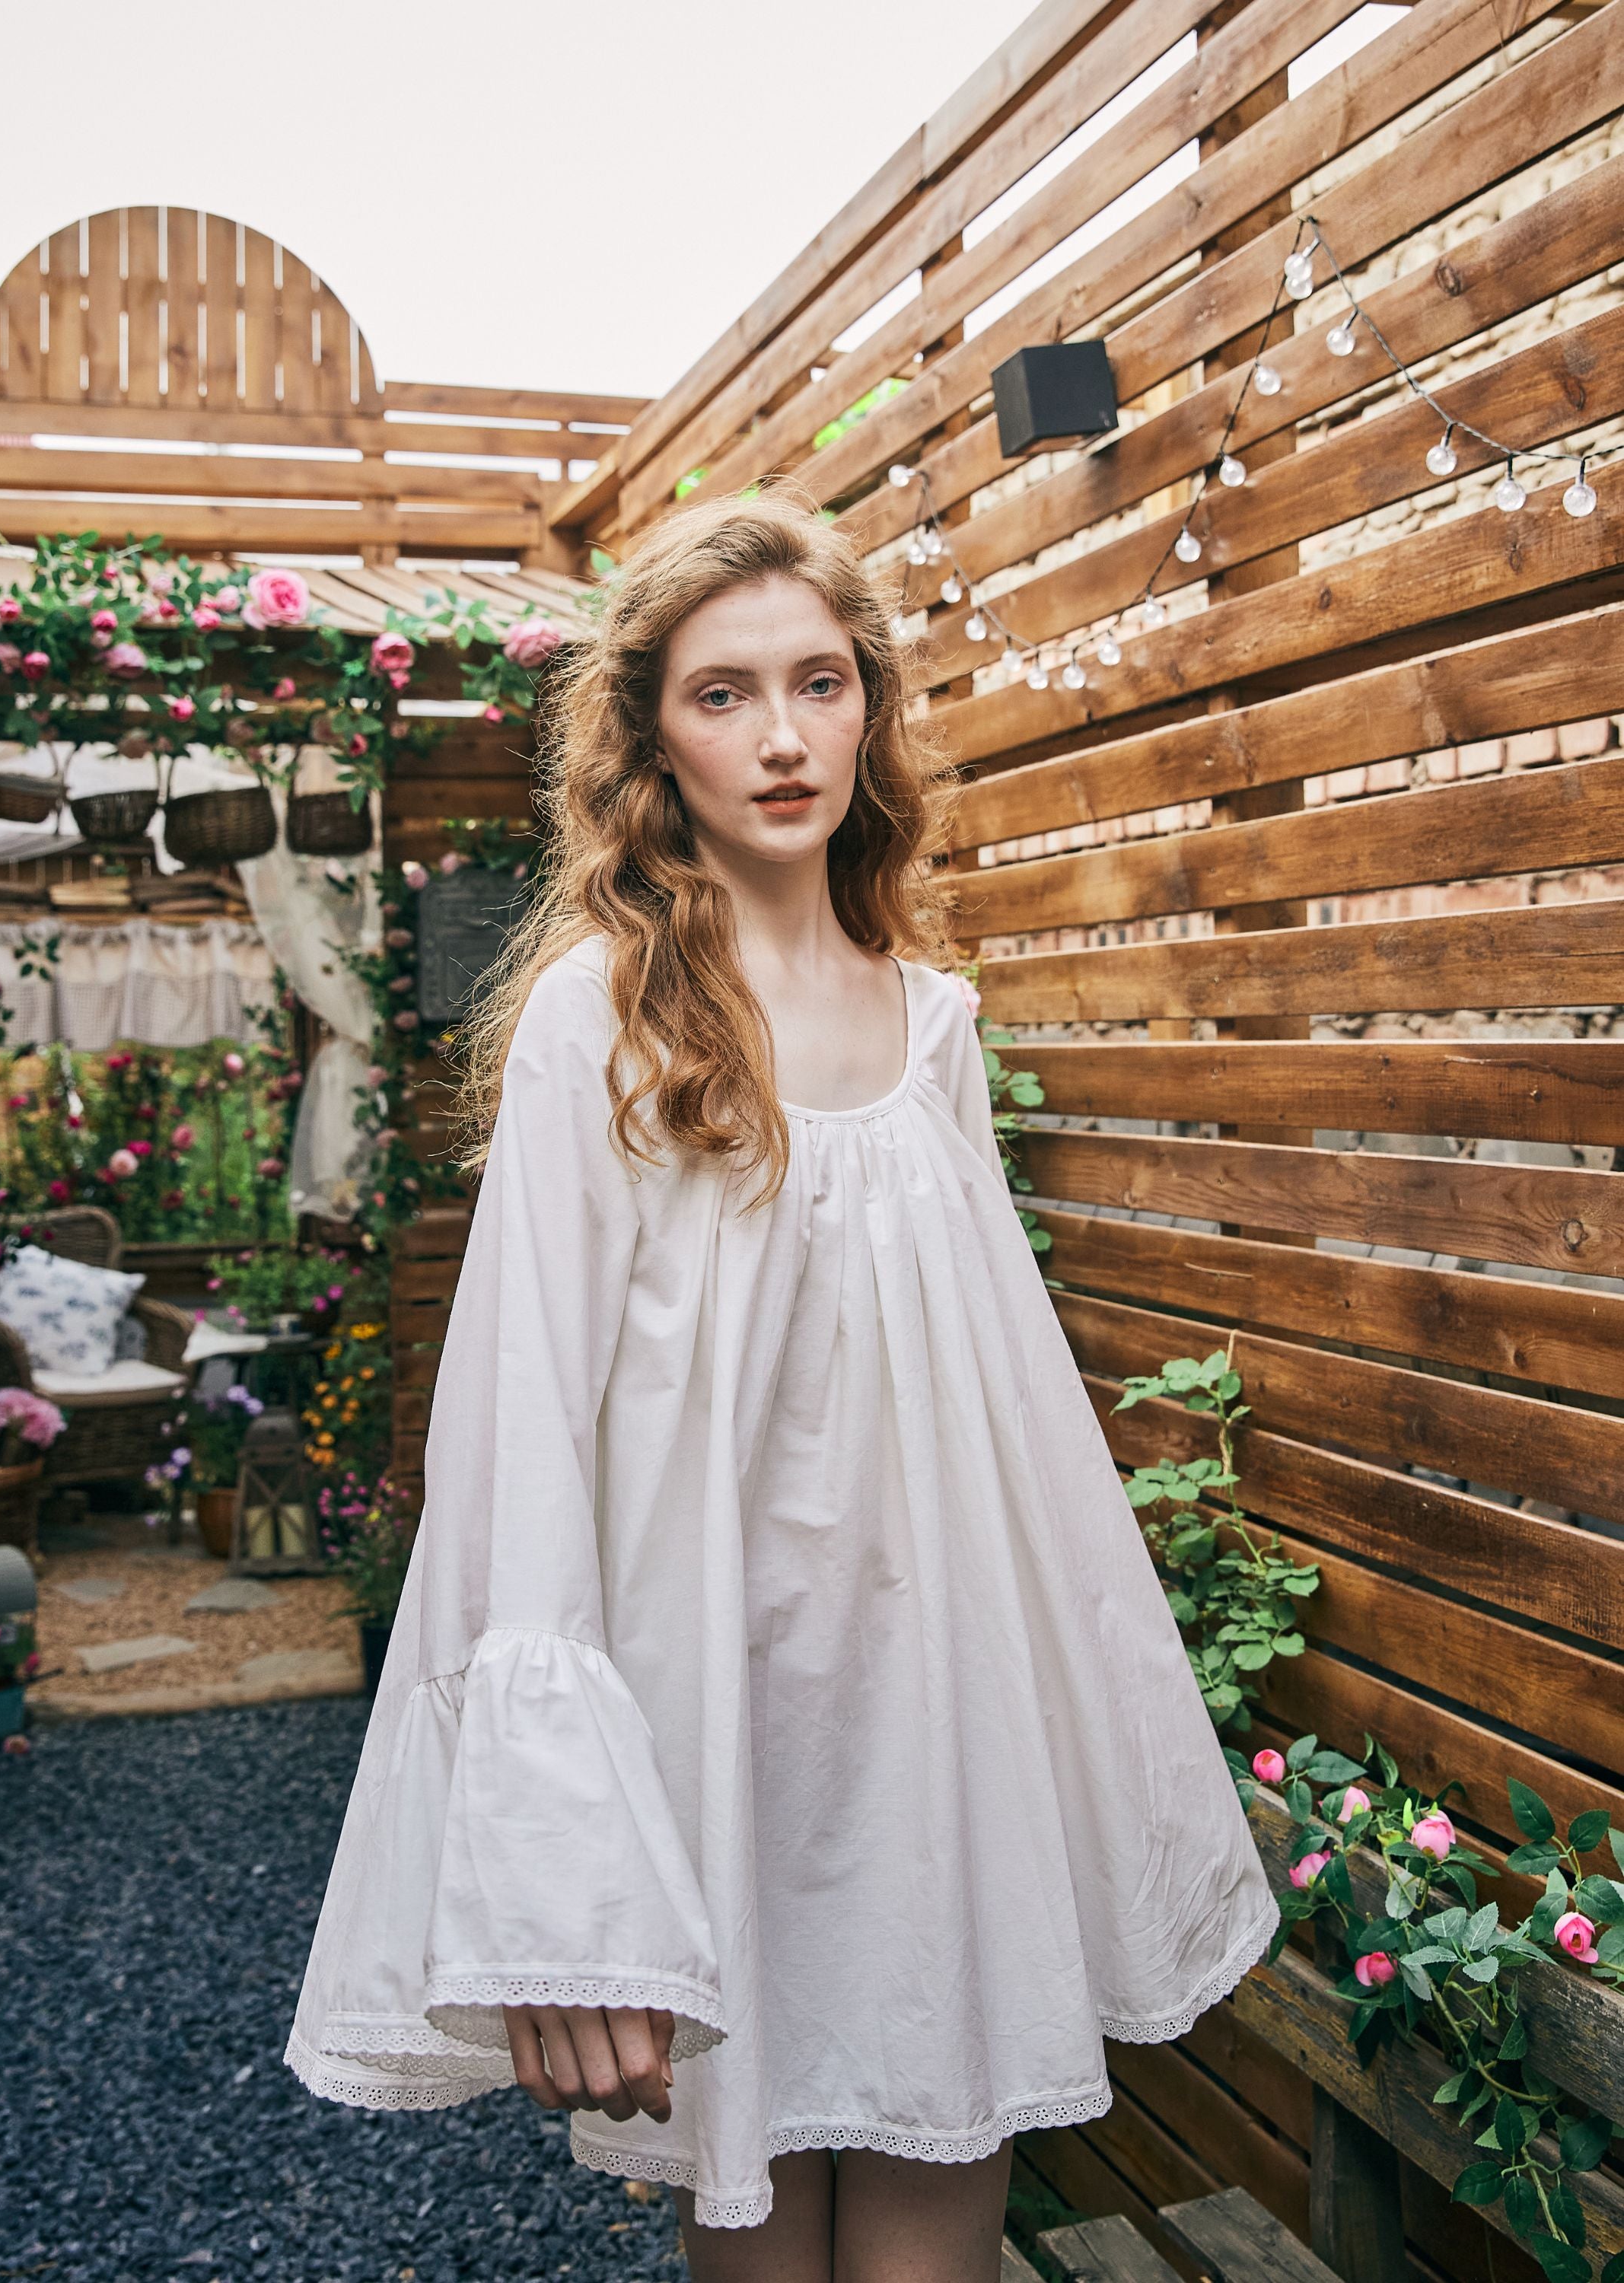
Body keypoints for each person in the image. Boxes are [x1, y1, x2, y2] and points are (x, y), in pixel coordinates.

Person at [286, 489, 1276, 2282]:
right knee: (753, 2228)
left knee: (934, 2211)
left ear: (870, 708)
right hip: (707, 1727)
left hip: (926, 1723)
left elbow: (997, 1415)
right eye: (722, 694)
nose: (781, 735)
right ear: (651, 738)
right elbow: (520, 1428)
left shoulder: (941, 1026)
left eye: (819, 683)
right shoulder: (609, 1017)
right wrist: (559, 1866)